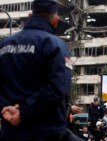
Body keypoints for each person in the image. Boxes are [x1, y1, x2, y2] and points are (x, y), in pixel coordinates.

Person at [0, 0, 72, 141]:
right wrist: (23, 112)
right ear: (55, 21)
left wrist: (6, 110)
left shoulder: (4, 45)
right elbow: (58, 89)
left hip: (9, 130)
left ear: (29, 15)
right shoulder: (55, 45)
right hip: (44, 132)